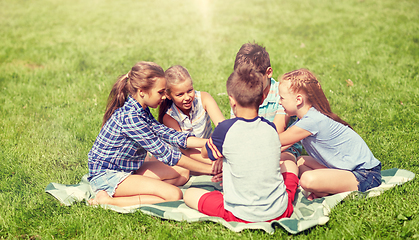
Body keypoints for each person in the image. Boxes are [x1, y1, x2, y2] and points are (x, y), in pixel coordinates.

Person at [88, 61, 214, 207]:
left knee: (183, 173)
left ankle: (139, 188)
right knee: (174, 194)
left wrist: (209, 142)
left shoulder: (141, 109)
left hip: (129, 169)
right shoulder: (131, 118)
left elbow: (169, 134)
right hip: (108, 176)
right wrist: (211, 170)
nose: (165, 97)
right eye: (161, 92)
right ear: (142, 91)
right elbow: (167, 154)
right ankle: (106, 200)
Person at [184, 65, 299, 223]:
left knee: (189, 194)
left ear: (232, 100)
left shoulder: (225, 129)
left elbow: (205, 153)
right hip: (279, 210)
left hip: (239, 214)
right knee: (291, 166)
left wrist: (220, 154)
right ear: (262, 98)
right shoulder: (270, 128)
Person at [278, 68, 382, 200]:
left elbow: (275, 141)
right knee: (300, 161)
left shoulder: (311, 121)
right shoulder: (306, 118)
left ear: (298, 100)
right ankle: (325, 189)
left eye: (282, 98)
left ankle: (325, 188)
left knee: (306, 180)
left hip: (365, 175)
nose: (279, 102)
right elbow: (282, 144)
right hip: (345, 169)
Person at [231, 42, 302, 166]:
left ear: (268, 72)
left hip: (282, 147)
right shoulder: (241, 94)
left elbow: (276, 131)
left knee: (284, 163)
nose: (249, 84)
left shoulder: (282, 94)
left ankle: (287, 185)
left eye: (254, 78)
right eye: (243, 79)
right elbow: (237, 129)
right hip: (251, 147)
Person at [158, 65, 225, 165]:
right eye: (180, 94)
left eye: (190, 91)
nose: (187, 97)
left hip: (208, 149)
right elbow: (186, 150)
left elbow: (223, 127)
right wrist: (214, 162)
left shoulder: (204, 98)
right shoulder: (169, 117)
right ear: (168, 95)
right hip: (185, 157)